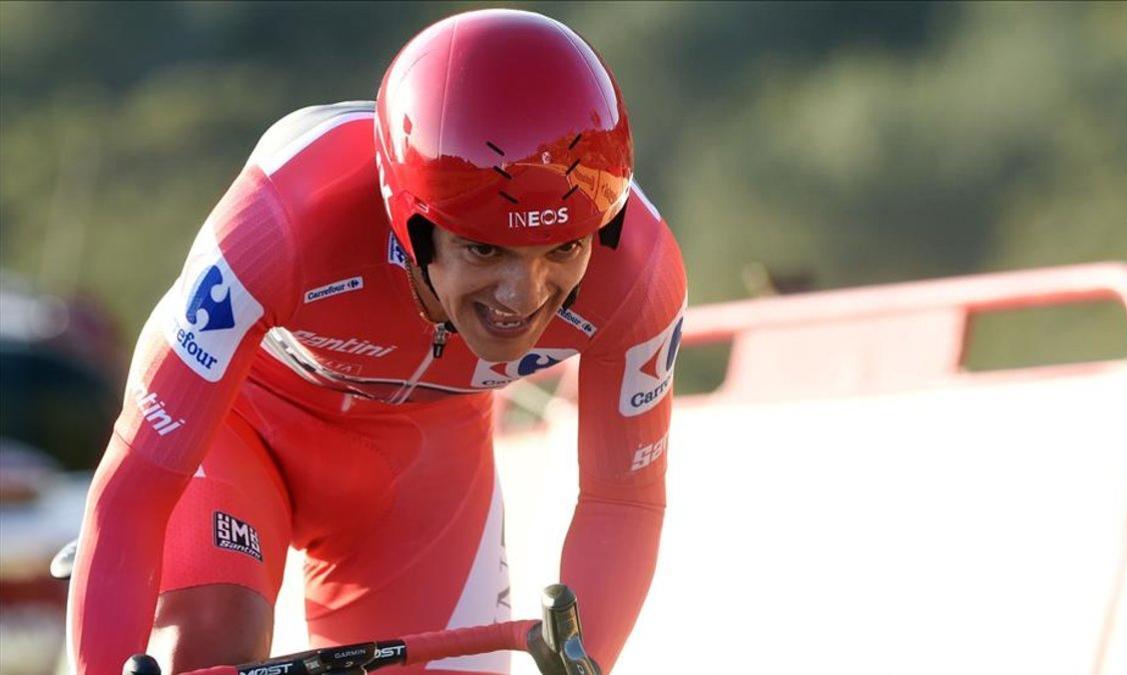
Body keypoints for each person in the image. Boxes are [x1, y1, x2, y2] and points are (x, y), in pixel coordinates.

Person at [66, 8, 686, 675]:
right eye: (483, 248)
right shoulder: (285, 216)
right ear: (410, 221)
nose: (522, 295)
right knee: (207, 639)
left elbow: (623, 497)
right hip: (240, 420)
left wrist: (584, 659)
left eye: (563, 248)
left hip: (422, 465)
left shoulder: (640, 275)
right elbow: (132, 492)